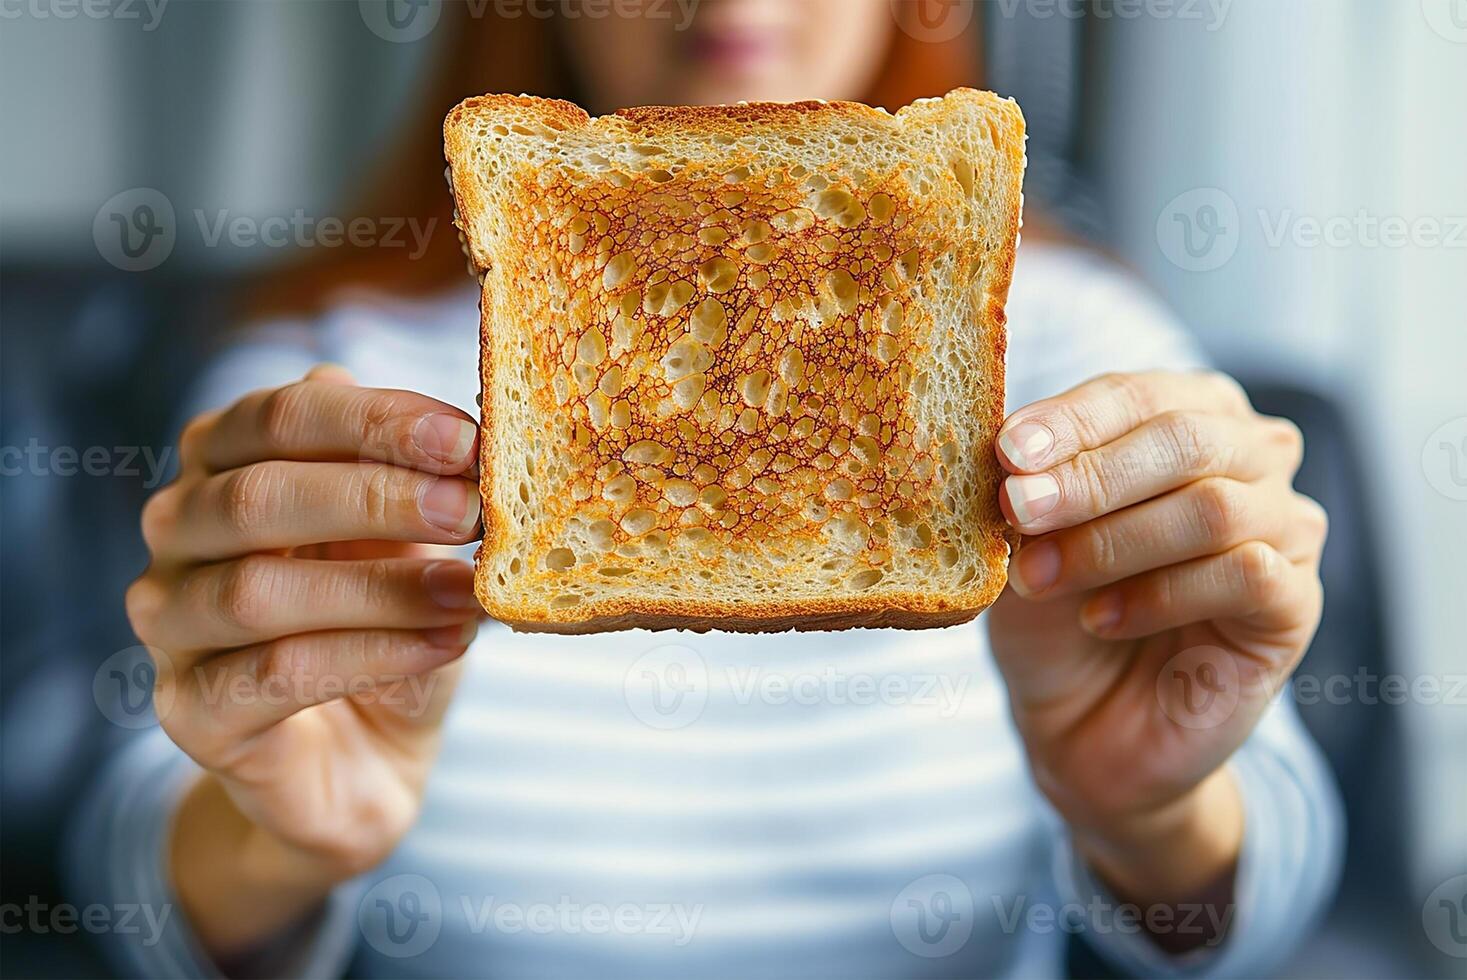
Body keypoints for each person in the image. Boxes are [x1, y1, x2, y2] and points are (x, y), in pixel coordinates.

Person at [72, 2, 1341, 977]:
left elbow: (1268, 886)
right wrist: (277, 842)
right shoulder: (328, 385)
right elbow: (132, 871)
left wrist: (1156, 808)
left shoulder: (1085, 353)